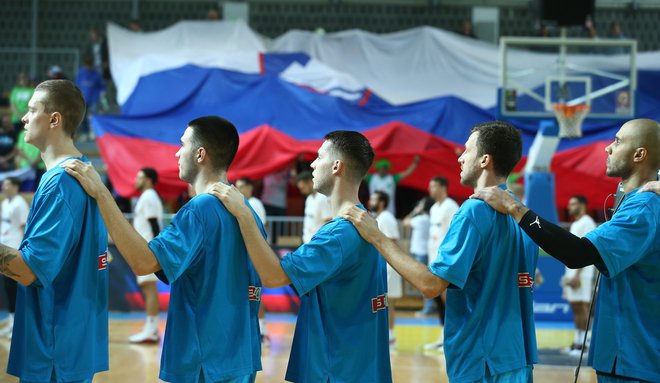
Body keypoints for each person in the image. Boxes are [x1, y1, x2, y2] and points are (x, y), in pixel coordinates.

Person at [62, 116, 263, 383]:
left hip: (203, 360)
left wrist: (101, 194)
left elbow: (144, 262)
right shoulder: (247, 212)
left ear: (200, 154)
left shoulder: (200, 209)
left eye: (183, 145)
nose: (178, 152)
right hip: (240, 357)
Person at [344, 121, 539, 382]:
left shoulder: (473, 212)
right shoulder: (523, 216)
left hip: (482, 361)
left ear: (484, 160)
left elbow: (430, 285)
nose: (460, 157)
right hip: (518, 356)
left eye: (467, 151)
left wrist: (377, 237)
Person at [473, 118, 660, 383]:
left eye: (617, 141)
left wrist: (516, 208)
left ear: (640, 154)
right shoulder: (639, 204)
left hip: (635, 360)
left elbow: (577, 253)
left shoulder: (643, 208)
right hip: (625, 357)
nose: (608, 148)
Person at [210, 131, 392, 382]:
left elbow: (273, 277)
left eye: (319, 157)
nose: (313, 164)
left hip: (335, 369)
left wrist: (244, 214)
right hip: (358, 366)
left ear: (337, 166)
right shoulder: (364, 223)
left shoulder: (339, 234)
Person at [1, 79, 109, 383]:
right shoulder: (81, 170)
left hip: (53, 347)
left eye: (31, 109)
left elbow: (29, 270)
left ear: (54, 119)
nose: (23, 117)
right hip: (69, 345)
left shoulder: (60, 182)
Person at [128, 167, 164, 344]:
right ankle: (152, 329)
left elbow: (154, 225)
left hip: (148, 249)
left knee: (149, 287)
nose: (136, 179)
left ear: (148, 180)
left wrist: (155, 250)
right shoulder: (148, 196)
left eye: (139, 176)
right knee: (148, 288)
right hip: (147, 248)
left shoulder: (149, 196)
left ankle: (151, 330)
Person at [423, 176, 459, 351]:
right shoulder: (433, 209)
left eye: (433, 186)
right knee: (438, 299)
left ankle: (453, 338)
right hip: (433, 261)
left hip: (446, 263)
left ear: (443, 187)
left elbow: (455, 234)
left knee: (449, 300)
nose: (430, 189)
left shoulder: (451, 206)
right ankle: (443, 335)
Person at [560, 195, 597, 356]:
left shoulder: (587, 222)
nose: (569, 207)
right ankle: (577, 342)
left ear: (582, 205)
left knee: (583, 308)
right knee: (576, 308)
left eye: (573, 203)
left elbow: (587, 249)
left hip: (582, 273)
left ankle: (585, 345)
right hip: (573, 273)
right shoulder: (576, 223)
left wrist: (577, 275)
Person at [235, 176, 270, 345]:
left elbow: (262, 230)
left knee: (254, 293)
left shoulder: (255, 204)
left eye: (242, 186)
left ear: (250, 188)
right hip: (242, 256)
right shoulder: (238, 205)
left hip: (253, 257)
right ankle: (248, 331)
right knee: (244, 294)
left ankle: (261, 330)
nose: (239, 189)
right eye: (238, 186)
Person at [368, 190, 402, 348]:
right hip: (383, 266)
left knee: (386, 303)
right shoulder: (380, 218)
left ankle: (391, 337)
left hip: (389, 267)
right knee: (381, 303)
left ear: (382, 202)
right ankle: (386, 336)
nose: (370, 201)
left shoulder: (386, 218)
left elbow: (394, 242)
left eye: (374, 199)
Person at [0, 177, 29, 340]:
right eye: (3, 185)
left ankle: (18, 326)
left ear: (16, 186)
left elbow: (25, 228)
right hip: (4, 250)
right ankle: (12, 324)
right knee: (8, 289)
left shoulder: (19, 203)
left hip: (14, 251)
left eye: (7, 184)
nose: (4, 187)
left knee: (16, 290)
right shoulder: (5, 203)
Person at [402, 197, 434, 317]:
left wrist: (414, 211)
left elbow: (405, 222)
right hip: (427, 252)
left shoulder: (420, 219)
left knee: (423, 282)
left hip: (421, 253)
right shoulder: (430, 218)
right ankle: (428, 306)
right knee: (426, 280)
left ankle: (428, 308)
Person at [74, 56, 106, 141]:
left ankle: (93, 132)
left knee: (93, 116)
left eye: (89, 65)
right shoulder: (80, 73)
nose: (88, 67)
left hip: (94, 99)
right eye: (87, 65)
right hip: (83, 99)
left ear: (92, 65)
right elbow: (77, 85)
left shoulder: (96, 74)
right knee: (82, 116)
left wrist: (102, 95)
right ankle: (85, 133)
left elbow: (101, 86)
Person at [295, 171, 332, 244]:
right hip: (308, 242)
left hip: (318, 244)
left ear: (309, 182)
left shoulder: (322, 198)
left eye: (303, 188)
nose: (302, 192)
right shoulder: (309, 199)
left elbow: (328, 222)